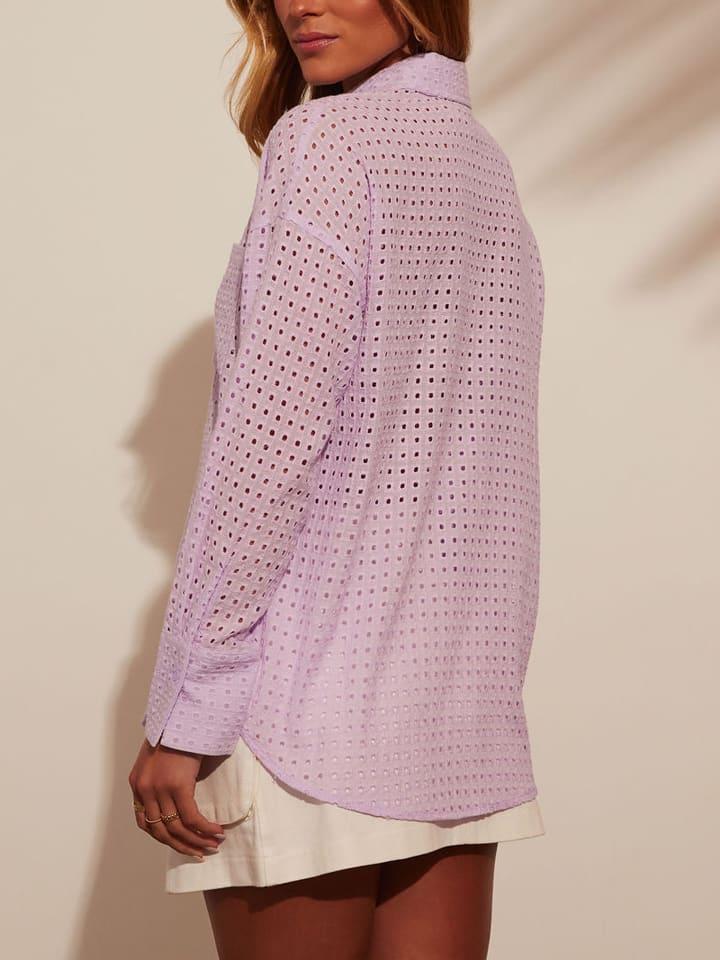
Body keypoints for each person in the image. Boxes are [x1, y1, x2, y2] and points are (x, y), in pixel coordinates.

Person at [128, 1, 546, 957]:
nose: (299, 4)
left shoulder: (325, 141)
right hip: (452, 719)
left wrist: (191, 708)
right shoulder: (484, 165)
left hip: (299, 711)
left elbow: (267, 449)